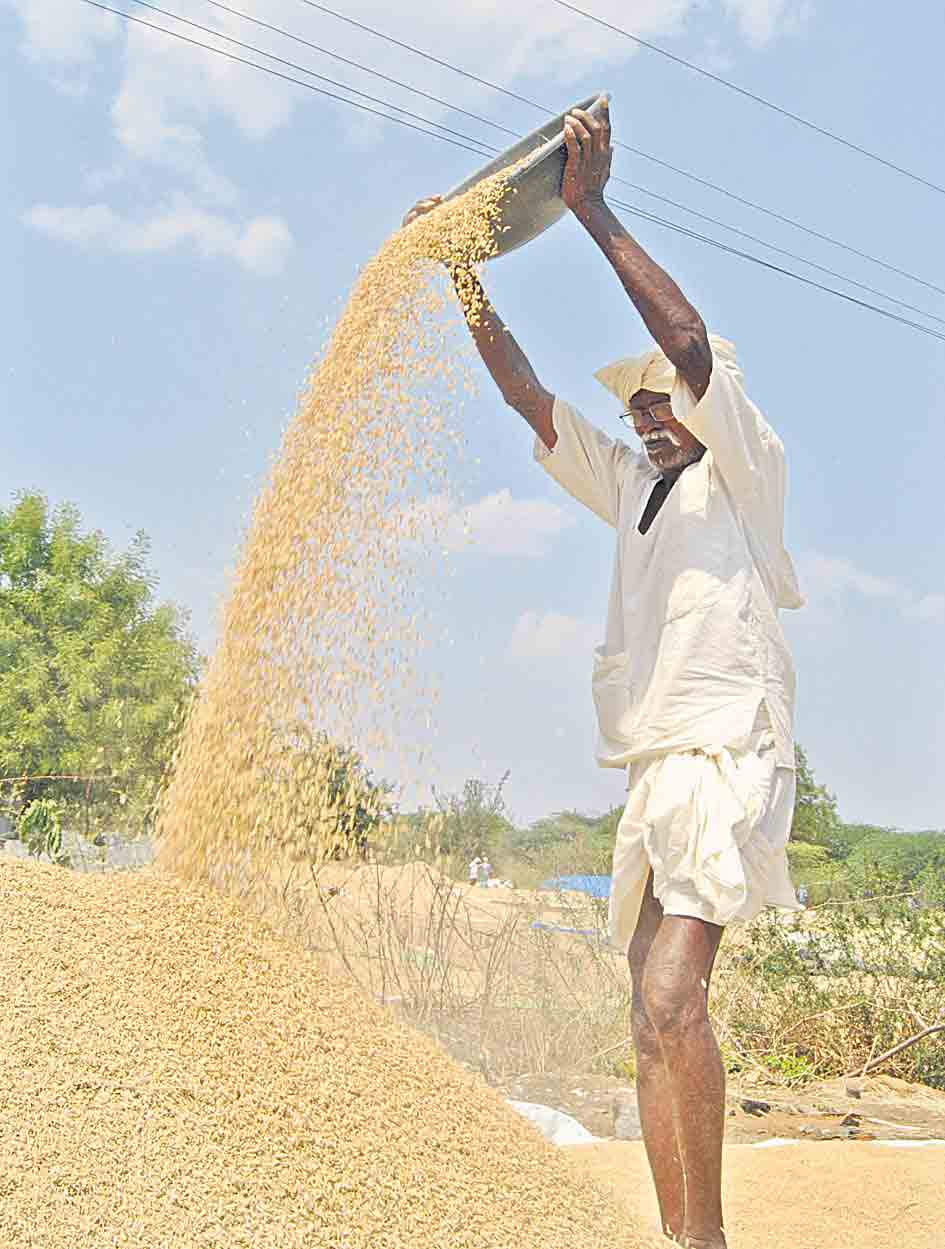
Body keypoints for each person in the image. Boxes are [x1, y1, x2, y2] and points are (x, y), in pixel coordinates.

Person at [404, 97, 803, 1249]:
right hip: (656, 762)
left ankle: (710, 1242)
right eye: (632, 400)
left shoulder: (744, 470)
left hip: (730, 744)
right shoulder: (635, 487)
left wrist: (588, 206)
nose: (643, 403)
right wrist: (458, 276)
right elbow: (530, 397)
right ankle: (682, 1238)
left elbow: (686, 345)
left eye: (659, 393)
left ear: (699, 403)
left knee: (678, 993)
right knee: (646, 1013)